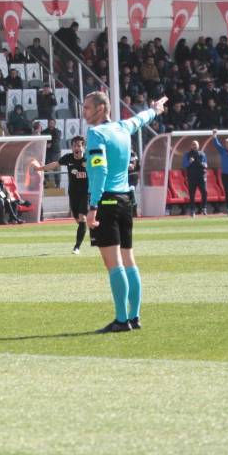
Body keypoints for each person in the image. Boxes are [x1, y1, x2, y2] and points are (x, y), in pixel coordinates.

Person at [85, 91, 168, 333]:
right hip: (125, 201)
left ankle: (122, 320)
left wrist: (92, 207)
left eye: (88, 108)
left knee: (113, 263)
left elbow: (99, 171)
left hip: (107, 201)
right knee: (129, 259)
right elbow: (141, 119)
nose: (84, 113)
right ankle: (134, 315)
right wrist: (154, 110)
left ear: (101, 109)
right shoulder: (122, 127)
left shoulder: (96, 134)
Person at [31, 135, 89, 253]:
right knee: (78, 221)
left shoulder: (89, 159)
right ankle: (86, 228)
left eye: (79, 145)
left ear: (83, 147)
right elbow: (54, 164)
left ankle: (77, 247)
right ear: (72, 148)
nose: (76, 148)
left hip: (85, 193)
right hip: (73, 193)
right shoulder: (68, 158)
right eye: (74, 146)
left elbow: (101, 166)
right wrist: (40, 168)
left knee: (82, 219)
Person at [182, 140, 208, 217]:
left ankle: (204, 208)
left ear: (198, 146)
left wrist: (204, 164)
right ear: (191, 146)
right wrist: (189, 162)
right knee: (192, 194)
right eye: (193, 145)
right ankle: (192, 210)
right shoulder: (187, 154)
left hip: (201, 176)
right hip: (192, 177)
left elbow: (206, 164)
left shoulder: (202, 154)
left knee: (204, 192)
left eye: (195, 145)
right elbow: (184, 165)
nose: (194, 146)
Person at [41, 119, 62, 187]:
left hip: (55, 152)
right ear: (48, 123)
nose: (51, 124)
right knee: (46, 167)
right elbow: (43, 139)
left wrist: (51, 144)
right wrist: (47, 144)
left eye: (52, 123)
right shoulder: (44, 131)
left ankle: (58, 183)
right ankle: (47, 183)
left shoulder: (57, 131)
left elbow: (57, 139)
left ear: (55, 124)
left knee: (56, 167)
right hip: (47, 152)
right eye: (50, 123)